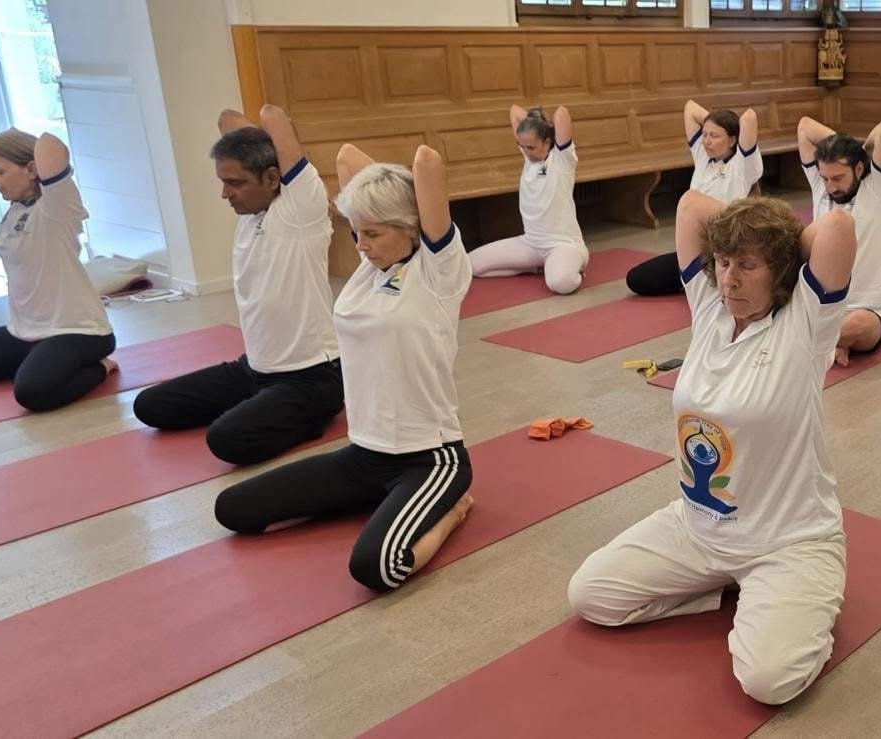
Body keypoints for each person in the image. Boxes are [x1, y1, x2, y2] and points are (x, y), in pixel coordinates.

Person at [568, 191, 858, 706]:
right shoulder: (708, 308)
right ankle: (724, 588)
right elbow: (690, 208)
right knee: (592, 597)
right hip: (699, 528)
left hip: (788, 539)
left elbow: (835, 227)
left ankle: (792, 597)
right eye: (723, 263)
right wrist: (739, 238)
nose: (729, 279)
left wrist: (779, 243)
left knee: (769, 683)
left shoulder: (805, 326)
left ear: (783, 272)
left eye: (748, 266)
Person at [213, 143, 474, 593]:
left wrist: (400, 197)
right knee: (234, 510)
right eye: (355, 231)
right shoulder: (368, 269)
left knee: (378, 568)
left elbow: (429, 161)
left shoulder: (438, 273)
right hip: (363, 455)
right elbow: (348, 157)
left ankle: (450, 512)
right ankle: (381, 499)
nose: (360, 245)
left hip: (429, 460)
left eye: (372, 233)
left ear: (411, 228)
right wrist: (372, 201)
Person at [133, 106, 344, 465]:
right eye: (223, 181)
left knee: (226, 440)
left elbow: (273, 116)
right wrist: (251, 151)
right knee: (150, 406)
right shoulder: (249, 214)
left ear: (274, 178)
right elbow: (228, 118)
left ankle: (315, 415)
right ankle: (264, 406)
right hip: (253, 370)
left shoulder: (300, 212)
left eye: (235, 183)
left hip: (310, 378)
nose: (224, 193)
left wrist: (268, 138)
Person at [0, 128, 116, 412]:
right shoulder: (16, 211)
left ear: (32, 169)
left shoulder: (56, 208)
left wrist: (17, 139)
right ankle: (41, 361)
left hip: (78, 332)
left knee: (32, 393)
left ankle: (101, 367)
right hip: (23, 332)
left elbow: (50, 145)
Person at [626, 101, 762, 296]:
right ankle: (695, 279)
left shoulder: (744, 164)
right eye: (704, 135)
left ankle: (713, 277)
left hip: (723, 250)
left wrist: (725, 123)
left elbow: (749, 117)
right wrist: (714, 124)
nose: (706, 141)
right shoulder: (703, 157)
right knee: (637, 279)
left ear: (733, 140)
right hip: (694, 249)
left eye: (714, 136)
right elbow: (690, 108)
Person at [798, 115, 881, 366]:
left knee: (857, 326)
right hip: (819, 307)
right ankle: (832, 345)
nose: (831, 187)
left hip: (866, 310)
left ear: (859, 168)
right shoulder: (821, 183)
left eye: (838, 178)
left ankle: (825, 343)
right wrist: (842, 147)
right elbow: (804, 127)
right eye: (825, 178)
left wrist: (859, 150)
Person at [469, 105, 587, 294]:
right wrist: (533, 122)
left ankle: (574, 263)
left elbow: (561, 113)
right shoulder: (529, 158)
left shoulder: (562, 160)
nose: (526, 151)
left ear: (547, 142)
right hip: (530, 244)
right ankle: (536, 267)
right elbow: (514, 110)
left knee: (561, 283)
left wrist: (543, 123)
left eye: (531, 147)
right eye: (522, 146)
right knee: (472, 265)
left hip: (563, 244)